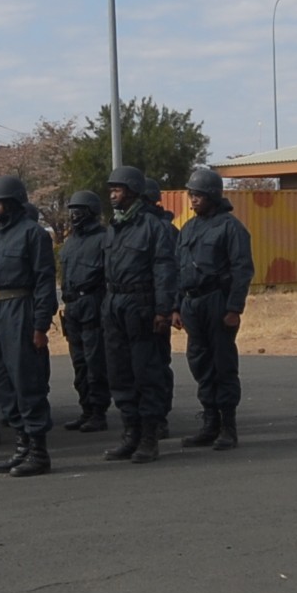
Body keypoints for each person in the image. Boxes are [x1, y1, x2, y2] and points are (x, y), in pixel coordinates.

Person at [0, 175, 62, 476]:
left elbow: (43, 282)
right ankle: (21, 445)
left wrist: (40, 326)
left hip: (20, 309)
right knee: (1, 383)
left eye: (0, 202)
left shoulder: (33, 234)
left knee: (26, 381)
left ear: (15, 203)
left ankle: (38, 451)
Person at [98, 167, 179, 464]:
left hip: (141, 304)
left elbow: (164, 269)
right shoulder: (114, 227)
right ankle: (130, 434)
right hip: (114, 303)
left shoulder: (152, 226)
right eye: (111, 189)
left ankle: (148, 437)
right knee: (119, 373)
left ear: (132, 190)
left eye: (117, 189)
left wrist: (162, 309)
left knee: (147, 372)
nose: (112, 194)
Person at [173, 166, 254, 450]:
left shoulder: (230, 227)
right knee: (200, 363)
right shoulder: (188, 228)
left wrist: (234, 308)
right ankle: (209, 422)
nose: (193, 200)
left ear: (212, 195)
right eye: (190, 194)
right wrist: (176, 306)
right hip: (192, 303)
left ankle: (228, 426)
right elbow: (177, 268)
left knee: (223, 364)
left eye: (198, 195)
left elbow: (242, 270)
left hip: (217, 302)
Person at [57, 191, 112, 432]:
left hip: (93, 303)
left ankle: (98, 411)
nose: (73, 216)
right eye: (71, 211)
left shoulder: (104, 238)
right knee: (79, 363)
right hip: (72, 307)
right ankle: (86, 409)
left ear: (90, 212)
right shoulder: (70, 242)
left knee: (95, 361)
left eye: (78, 211)